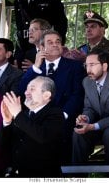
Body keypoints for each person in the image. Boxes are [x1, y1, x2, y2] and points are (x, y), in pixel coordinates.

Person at [18, 29, 85, 164]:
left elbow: (77, 94)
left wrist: (63, 115)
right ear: (41, 48)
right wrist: (35, 67)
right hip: (38, 120)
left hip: (64, 119)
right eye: (50, 42)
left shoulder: (75, 67)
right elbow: (21, 90)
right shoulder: (37, 68)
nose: (55, 45)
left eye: (58, 42)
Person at [0, 76, 65, 177]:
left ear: (46, 95)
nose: (26, 92)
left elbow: (42, 136)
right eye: (27, 89)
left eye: (32, 89)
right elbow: (4, 145)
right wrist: (7, 122)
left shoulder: (56, 114)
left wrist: (17, 114)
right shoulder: (23, 115)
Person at [14, 0, 68, 68]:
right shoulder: (20, 0)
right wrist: (18, 52)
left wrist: (55, 45)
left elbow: (61, 24)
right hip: (24, 45)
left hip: (43, 45)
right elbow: (20, 26)